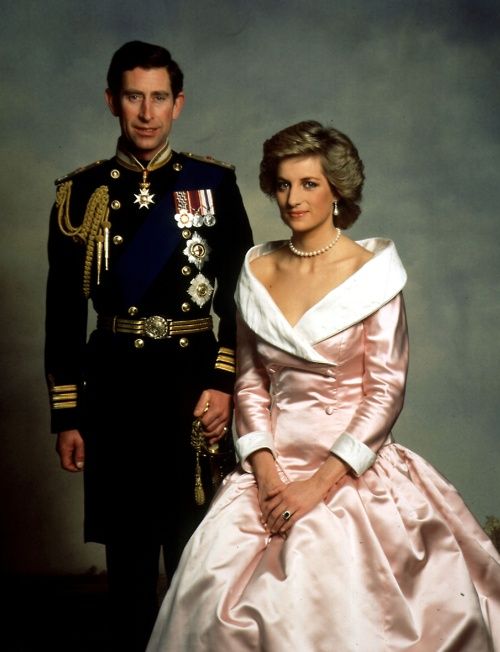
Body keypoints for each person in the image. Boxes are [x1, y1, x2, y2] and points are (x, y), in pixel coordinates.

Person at [145, 120, 500, 651]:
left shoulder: (373, 273)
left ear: (337, 189)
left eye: (309, 183)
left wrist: (316, 486)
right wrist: (264, 471)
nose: (292, 198)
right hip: (270, 464)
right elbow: (248, 383)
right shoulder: (257, 268)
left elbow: (385, 392)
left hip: (351, 467)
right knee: (216, 602)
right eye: (283, 184)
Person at [44, 40, 253, 651]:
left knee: (201, 554)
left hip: (194, 389)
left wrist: (223, 382)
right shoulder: (78, 195)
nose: (146, 112)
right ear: (112, 101)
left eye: (159, 97)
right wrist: (67, 414)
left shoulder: (214, 184)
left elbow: (243, 299)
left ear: (178, 104)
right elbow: (61, 313)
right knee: (129, 567)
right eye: (134, 96)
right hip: (113, 393)